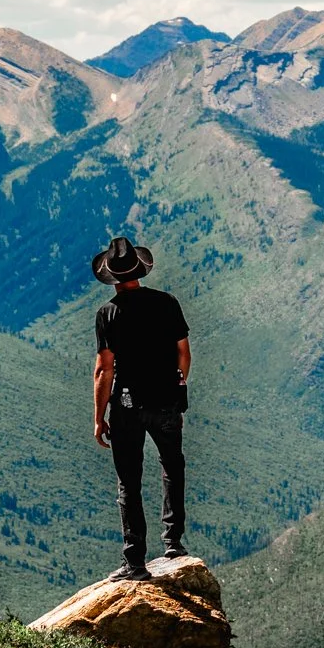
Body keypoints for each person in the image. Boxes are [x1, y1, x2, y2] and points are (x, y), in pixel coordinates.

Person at [90, 235, 192, 582]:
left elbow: (104, 369)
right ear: (140, 270)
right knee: (172, 467)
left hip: (127, 404)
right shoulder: (167, 303)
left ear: (112, 277)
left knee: (129, 483)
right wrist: (176, 385)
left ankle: (135, 563)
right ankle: (174, 543)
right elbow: (184, 353)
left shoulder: (108, 314)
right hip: (165, 401)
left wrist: (98, 417)